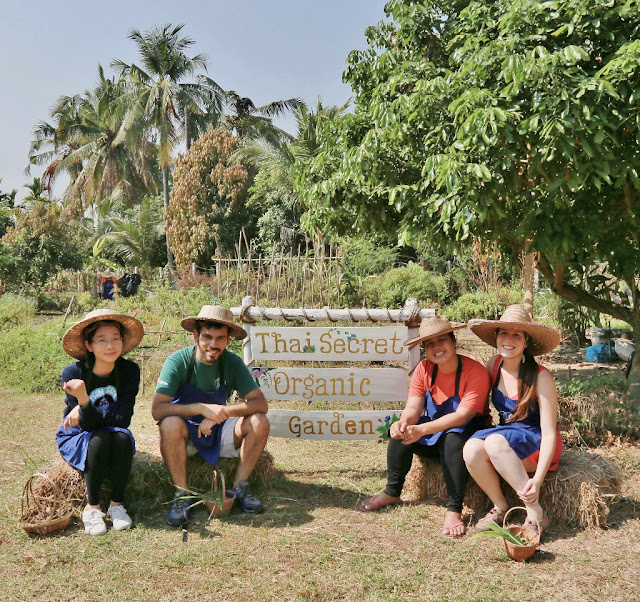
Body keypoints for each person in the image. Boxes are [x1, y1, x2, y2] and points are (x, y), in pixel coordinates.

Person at [359, 315, 490, 538]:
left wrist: (422, 430)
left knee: (452, 439)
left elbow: (463, 417)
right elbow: (414, 406)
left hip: (467, 437)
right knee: (400, 433)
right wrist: (404, 423)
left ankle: (454, 510)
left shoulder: (474, 371)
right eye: (430, 343)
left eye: (442, 340)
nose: (437, 347)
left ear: (453, 341)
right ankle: (392, 492)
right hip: (435, 434)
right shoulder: (424, 369)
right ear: (424, 348)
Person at [152, 305, 269, 526]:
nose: (213, 344)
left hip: (217, 429)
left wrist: (223, 413)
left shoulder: (232, 363)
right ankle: (182, 494)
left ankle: (239, 488)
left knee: (259, 421)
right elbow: (157, 409)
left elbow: (260, 403)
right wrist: (201, 408)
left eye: (220, 338)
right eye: (207, 337)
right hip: (185, 435)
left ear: (228, 340)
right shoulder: (177, 362)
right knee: (168, 424)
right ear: (196, 336)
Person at [463, 305, 562, 536]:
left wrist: (537, 480)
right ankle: (500, 506)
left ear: (526, 341)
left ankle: (535, 511)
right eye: (503, 333)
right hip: (508, 434)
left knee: (494, 442)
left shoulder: (541, 377)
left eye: (516, 334)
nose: (509, 339)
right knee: (471, 449)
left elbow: (549, 433)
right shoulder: (494, 365)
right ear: (496, 337)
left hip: (537, 441)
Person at [56, 309, 144, 536]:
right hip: (76, 434)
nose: (110, 346)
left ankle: (117, 505)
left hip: (112, 430)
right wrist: (82, 399)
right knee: (101, 436)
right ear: (89, 345)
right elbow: (86, 426)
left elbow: (123, 420)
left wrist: (83, 405)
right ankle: (92, 508)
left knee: (122, 437)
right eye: (102, 340)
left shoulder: (129, 371)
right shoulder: (73, 374)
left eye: (116, 339)